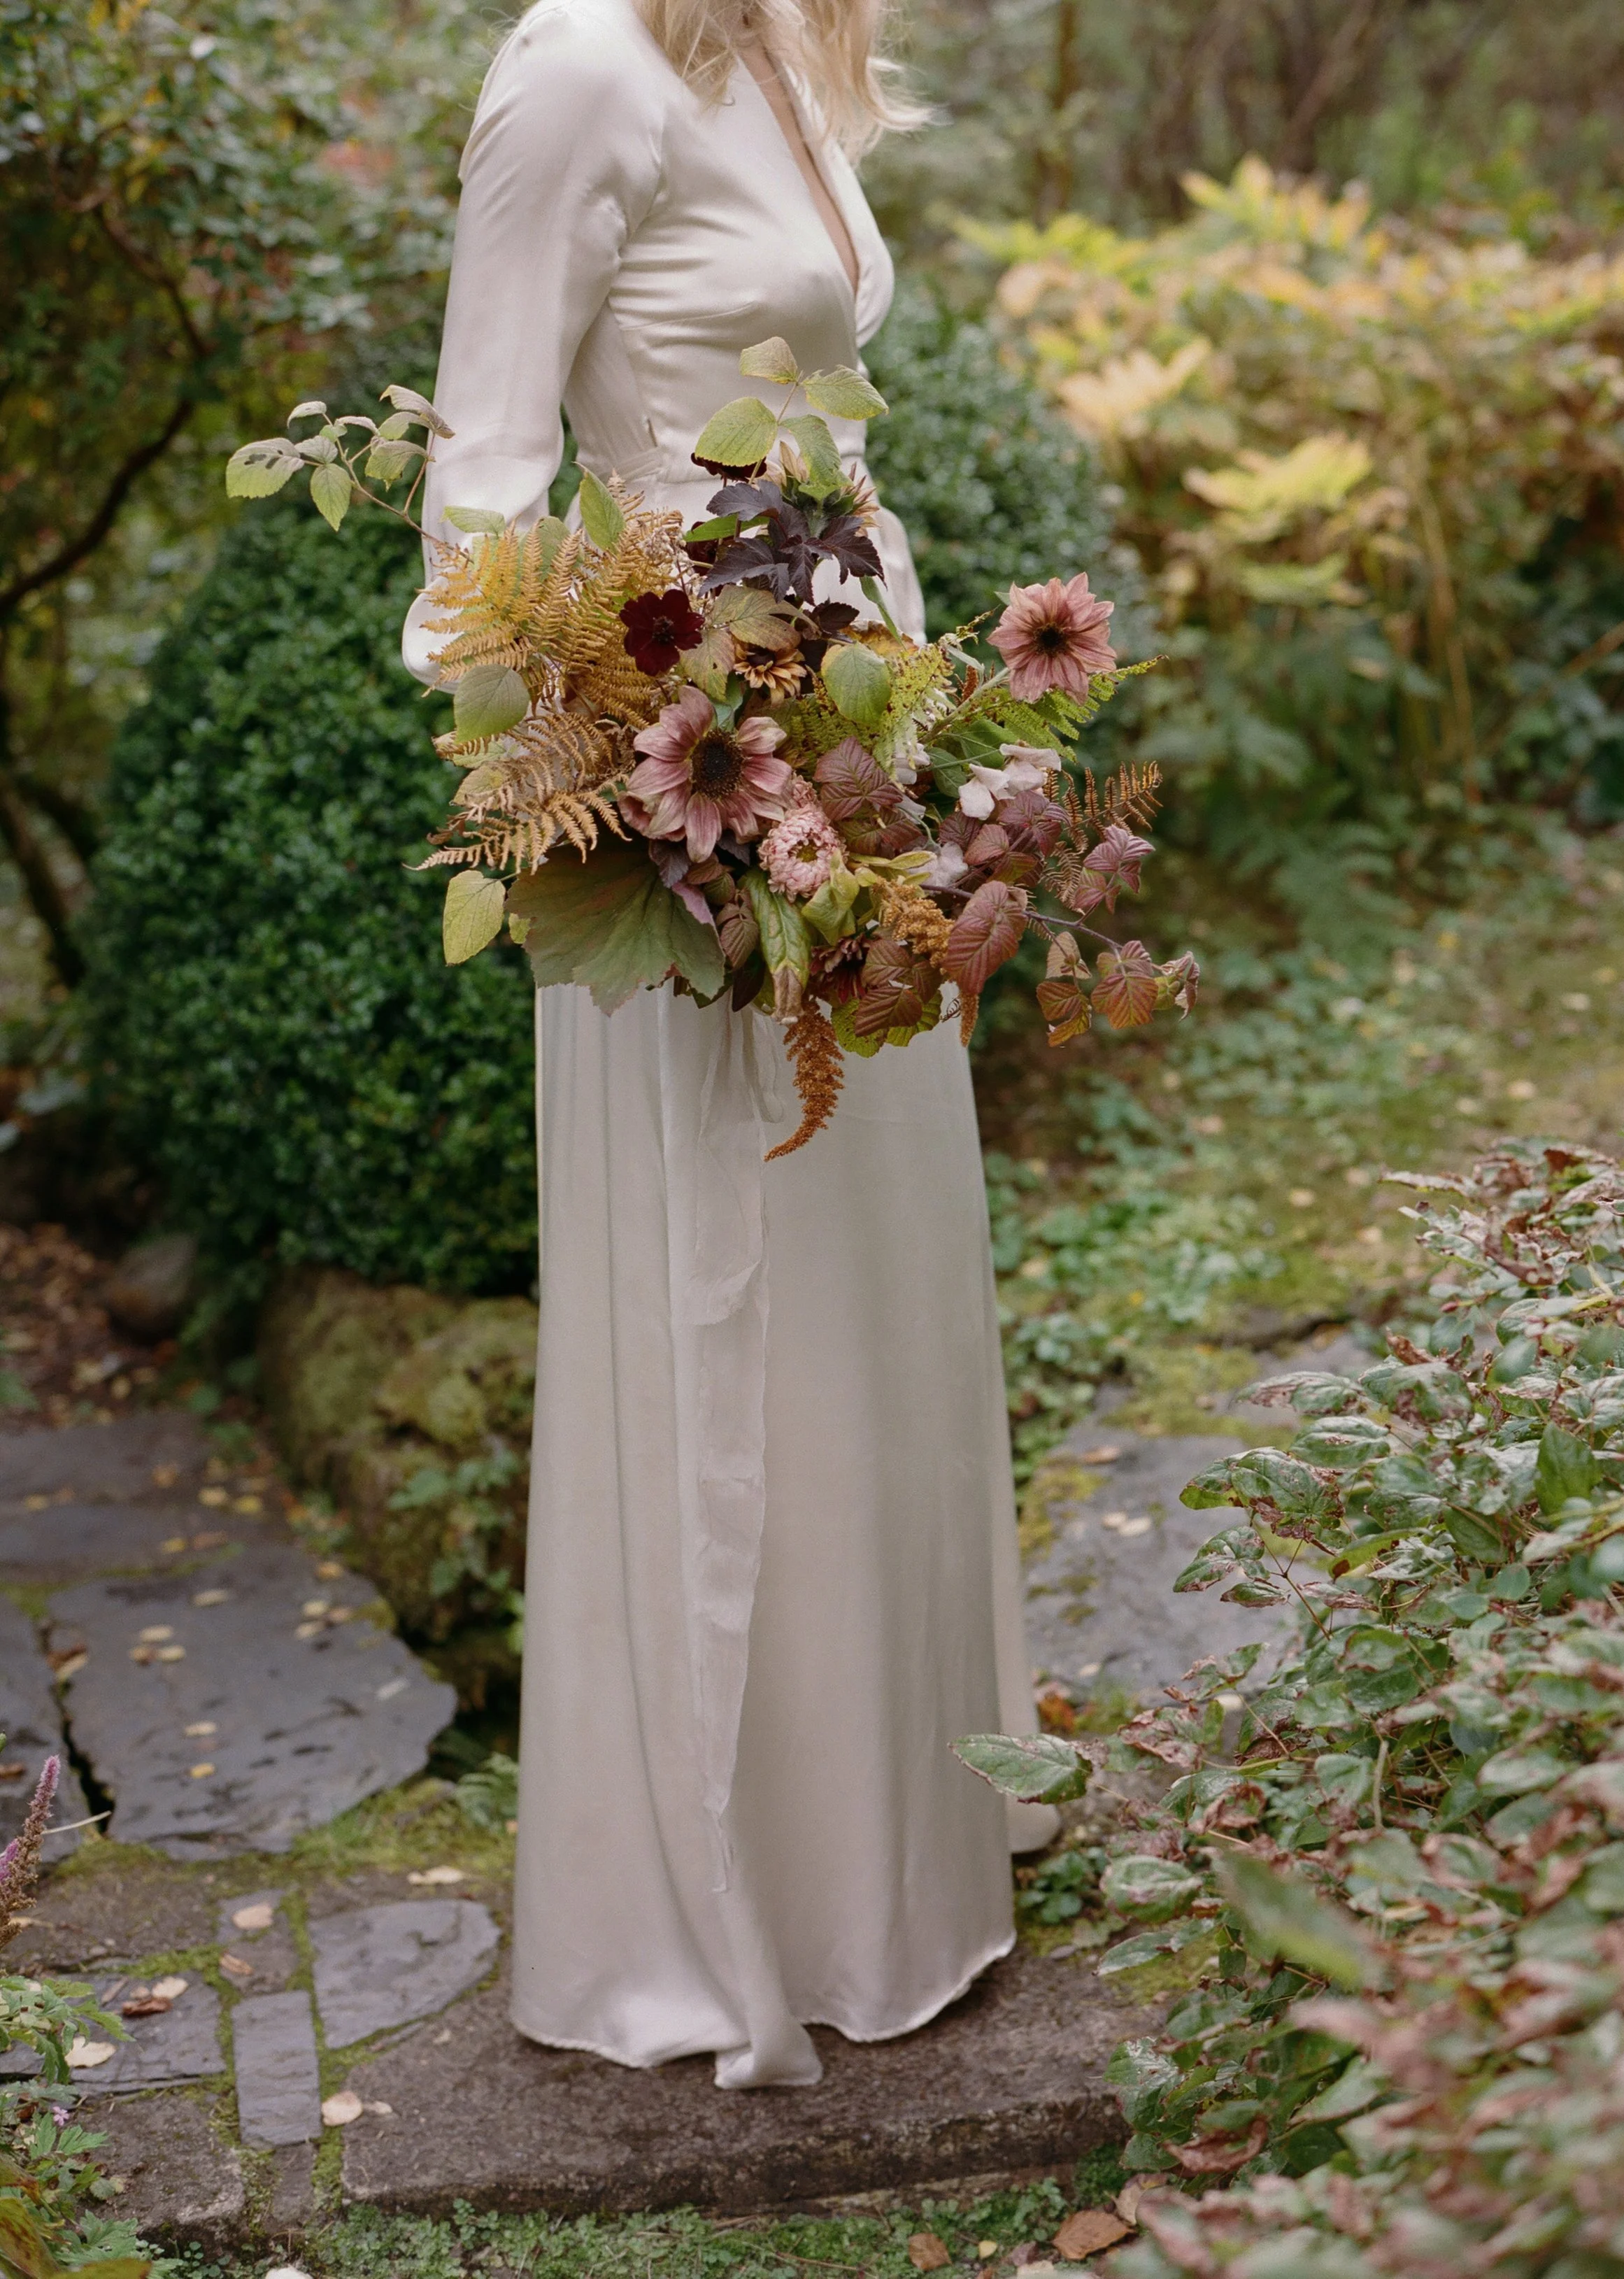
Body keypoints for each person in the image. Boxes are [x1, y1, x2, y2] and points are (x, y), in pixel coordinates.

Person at [406, 0, 1055, 2092]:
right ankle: (720, 1905)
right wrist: (615, 791)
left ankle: (899, 1859)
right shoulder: (581, 62)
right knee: (736, 1310)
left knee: (866, 1315)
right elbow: (482, 493)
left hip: (855, 756)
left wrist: (908, 733)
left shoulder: (778, 44)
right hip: (692, 793)